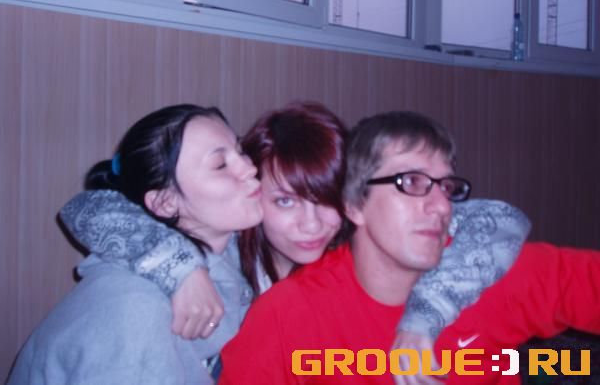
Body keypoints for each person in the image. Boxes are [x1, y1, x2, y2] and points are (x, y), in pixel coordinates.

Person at [59, 103, 530, 374]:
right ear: (256, 191)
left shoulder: (364, 241)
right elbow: (92, 204)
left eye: (326, 199)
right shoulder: (221, 256)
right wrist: (177, 268)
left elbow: (499, 220)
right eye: (284, 201)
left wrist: (426, 317)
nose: (312, 225)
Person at [217, 110, 600, 385]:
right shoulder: (284, 316)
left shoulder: (486, 271)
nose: (441, 206)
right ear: (354, 204)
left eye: (446, 187)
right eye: (411, 183)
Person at [7, 104, 264, 384]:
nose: (250, 167)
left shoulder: (237, 245)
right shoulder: (136, 310)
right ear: (165, 203)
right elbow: (85, 208)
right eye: (220, 165)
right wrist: (178, 267)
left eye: (240, 150)